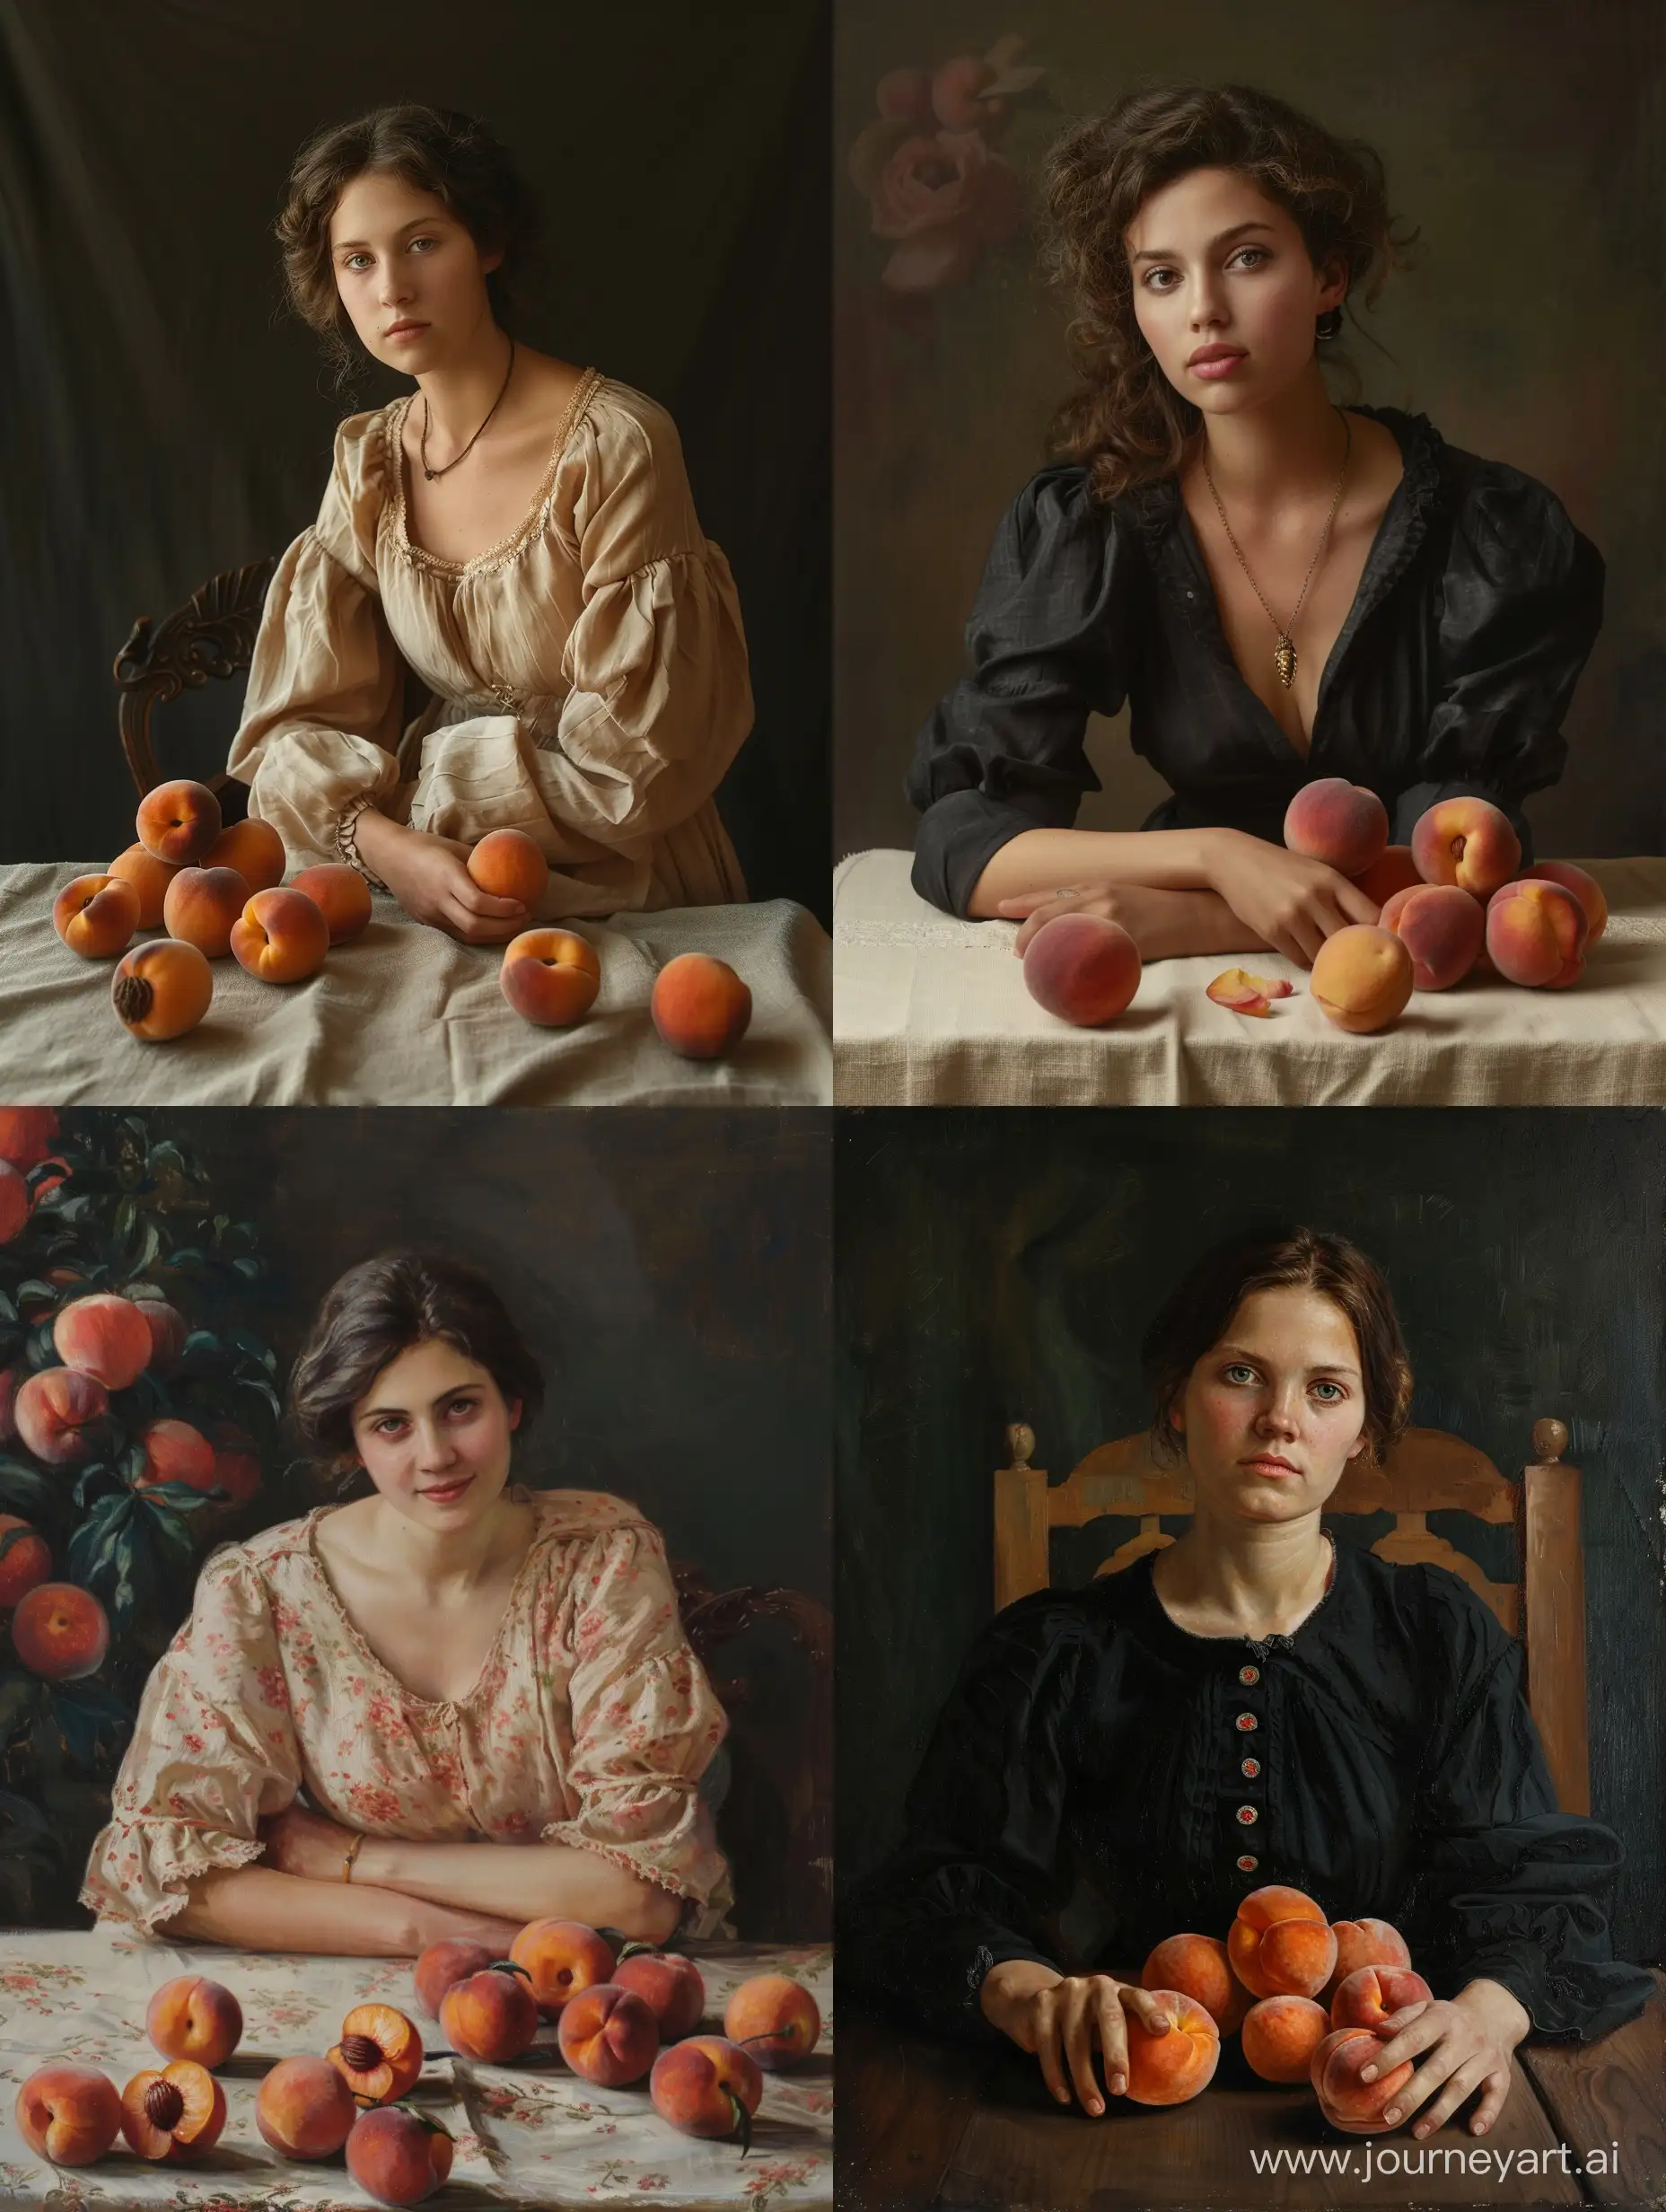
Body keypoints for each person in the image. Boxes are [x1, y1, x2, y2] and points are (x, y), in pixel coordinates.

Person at [849, 1228, 1651, 2136]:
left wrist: (1483, 2016)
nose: (1279, 1418)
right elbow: (937, 1885)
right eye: (1239, 1374)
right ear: (1176, 1398)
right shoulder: (1058, 1651)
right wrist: (1026, 1991)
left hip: (1397, 2104)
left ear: (1363, 1427)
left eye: (1323, 1389)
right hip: (1118, 2105)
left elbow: (1526, 1881)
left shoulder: (1432, 1631)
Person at [907, 85, 1604, 968]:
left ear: (1326, 275)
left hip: (1410, 998)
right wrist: (1215, 857)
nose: (1202, 308)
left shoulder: (1492, 536)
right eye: (1160, 276)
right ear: (1134, 308)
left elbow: (1463, 869)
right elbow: (962, 845)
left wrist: (1209, 920)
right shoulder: (1093, 524)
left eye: (1243, 258)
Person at [81, 1251, 731, 1956]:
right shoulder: (265, 1591)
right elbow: (171, 1874)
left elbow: (640, 1896)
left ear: (511, 1405)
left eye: (459, 1408)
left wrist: (354, 1859)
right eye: (391, 1425)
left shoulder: (601, 1560)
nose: (436, 1455)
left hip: (602, 1998)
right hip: (390, 1985)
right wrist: (429, 1933)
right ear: (353, 1445)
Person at [229, 103, 753, 942]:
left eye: (423, 243)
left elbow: (641, 759)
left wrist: (418, 800)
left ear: (490, 245)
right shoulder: (369, 465)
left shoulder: (615, 445)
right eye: (357, 260)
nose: (391, 287)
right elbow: (301, 725)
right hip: (430, 882)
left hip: (625, 882)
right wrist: (387, 847)